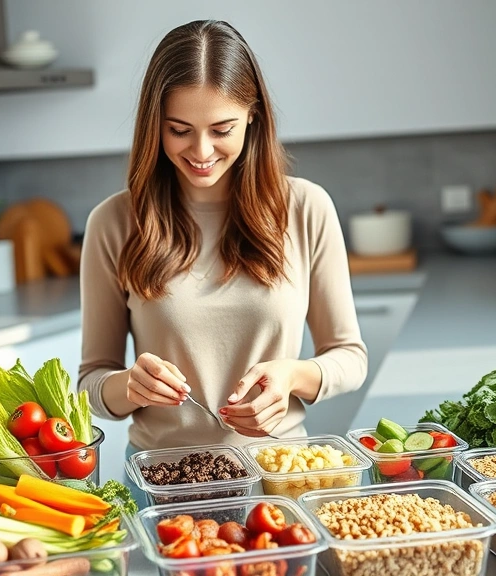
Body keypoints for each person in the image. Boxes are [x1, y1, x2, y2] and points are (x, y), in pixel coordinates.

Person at [77, 19, 367, 492]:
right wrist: (129, 385)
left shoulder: (306, 208)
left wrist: (294, 375)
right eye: (179, 130)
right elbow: (91, 382)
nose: (201, 151)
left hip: (283, 477)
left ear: (252, 115)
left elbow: (349, 357)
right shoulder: (113, 222)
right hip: (163, 484)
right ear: (155, 125)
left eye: (221, 129)